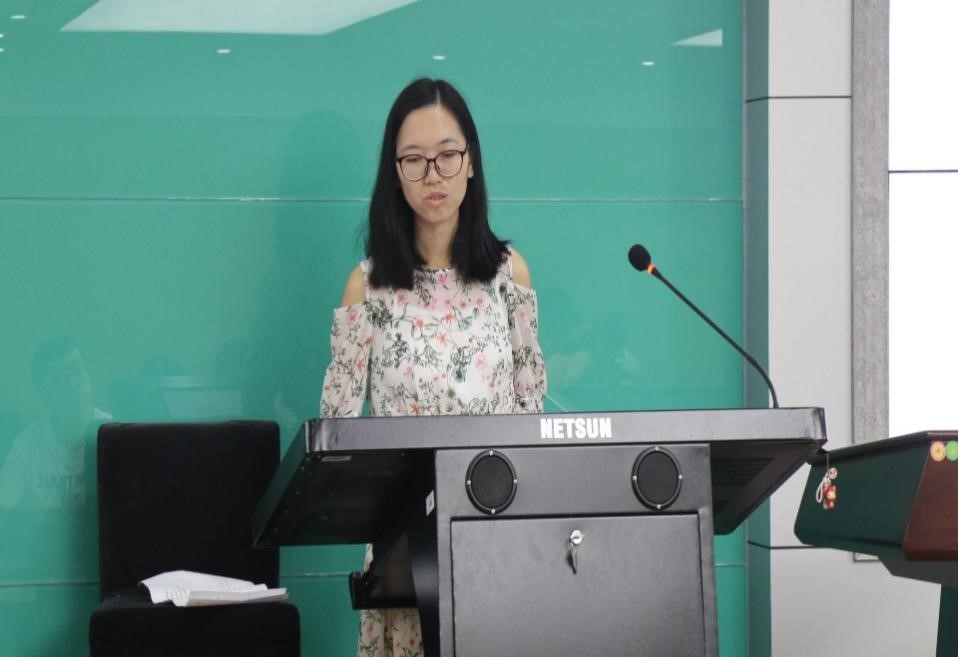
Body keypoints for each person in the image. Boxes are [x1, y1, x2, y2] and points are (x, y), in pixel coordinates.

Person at [319, 78, 547, 657]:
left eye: (447, 156)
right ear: (394, 173)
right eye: (414, 160)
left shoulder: (510, 276)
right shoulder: (366, 289)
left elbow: (532, 418)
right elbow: (338, 437)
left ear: (471, 162)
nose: (433, 176)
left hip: (498, 542)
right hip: (406, 554)